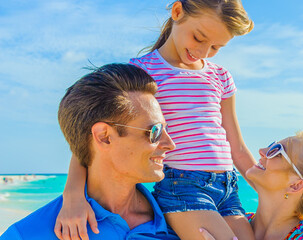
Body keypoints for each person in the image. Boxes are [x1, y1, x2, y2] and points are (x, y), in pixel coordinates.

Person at [56, 1, 256, 240]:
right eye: (199, 38)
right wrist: (73, 196)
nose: (203, 52)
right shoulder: (142, 72)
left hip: (228, 187)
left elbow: (238, 147)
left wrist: (274, 195)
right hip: (184, 188)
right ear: (177, 12)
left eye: (215, 47)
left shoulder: (220, 76)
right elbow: (89, 138)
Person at [0, 63, 178, 239]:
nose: (170, 144)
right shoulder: (25, 235)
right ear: (104, 136)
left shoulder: (183, 223)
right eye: (155, 131)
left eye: (166, 129)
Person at [202, 131, 303, 240]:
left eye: (276, 151)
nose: (262, 151)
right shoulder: (232, 221)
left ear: (295, 185)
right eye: (272, 145)